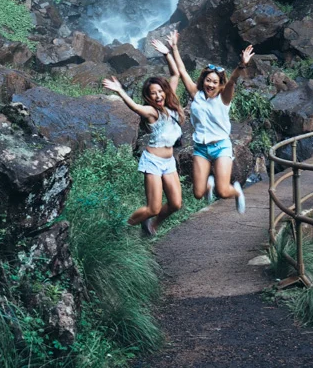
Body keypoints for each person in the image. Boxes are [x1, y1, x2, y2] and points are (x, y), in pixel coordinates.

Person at [152, 30, 254, 214]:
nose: (211, 85)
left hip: (221, 146)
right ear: (203, 80)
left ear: (220, 84)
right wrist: (173, 48)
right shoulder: (196, 94)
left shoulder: (224, 98)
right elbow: (182, 71)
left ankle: (237, 192)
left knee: (223, 192)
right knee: (198, 193)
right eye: (208, 80)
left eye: (215, 82)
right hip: (201, 147)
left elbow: (232, 81)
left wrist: (241, 66)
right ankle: (209, 185)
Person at [102, 72, 185, 237]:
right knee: (153, 208)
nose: (158, 96)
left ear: (166, 91)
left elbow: (175, 74)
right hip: (153, 161)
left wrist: (170, 51)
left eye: (160, 91)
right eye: (153, 93)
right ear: (148, 96)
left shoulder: (172, 106)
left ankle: (151, 226)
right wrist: (120, 90)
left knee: (175, 204)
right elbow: (134, 107)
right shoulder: (152, 112)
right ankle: (120, 230)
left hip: (169, 162)